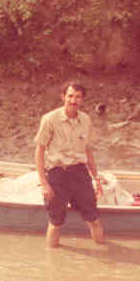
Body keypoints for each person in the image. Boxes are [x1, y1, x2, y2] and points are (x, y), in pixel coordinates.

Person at [34, 82, 105, 248]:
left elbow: (87, 151)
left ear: (82, 100)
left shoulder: (86, 120)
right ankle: (51, 264)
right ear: (63, 97)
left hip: (80, 174)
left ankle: (104, 255)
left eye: (78, 97)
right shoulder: (49, 119)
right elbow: (39, 151)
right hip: (57, 175)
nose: (73, 100)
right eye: (70, 96)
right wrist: (44, 183)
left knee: (94, 219)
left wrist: (96, 178)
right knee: (56, 222)